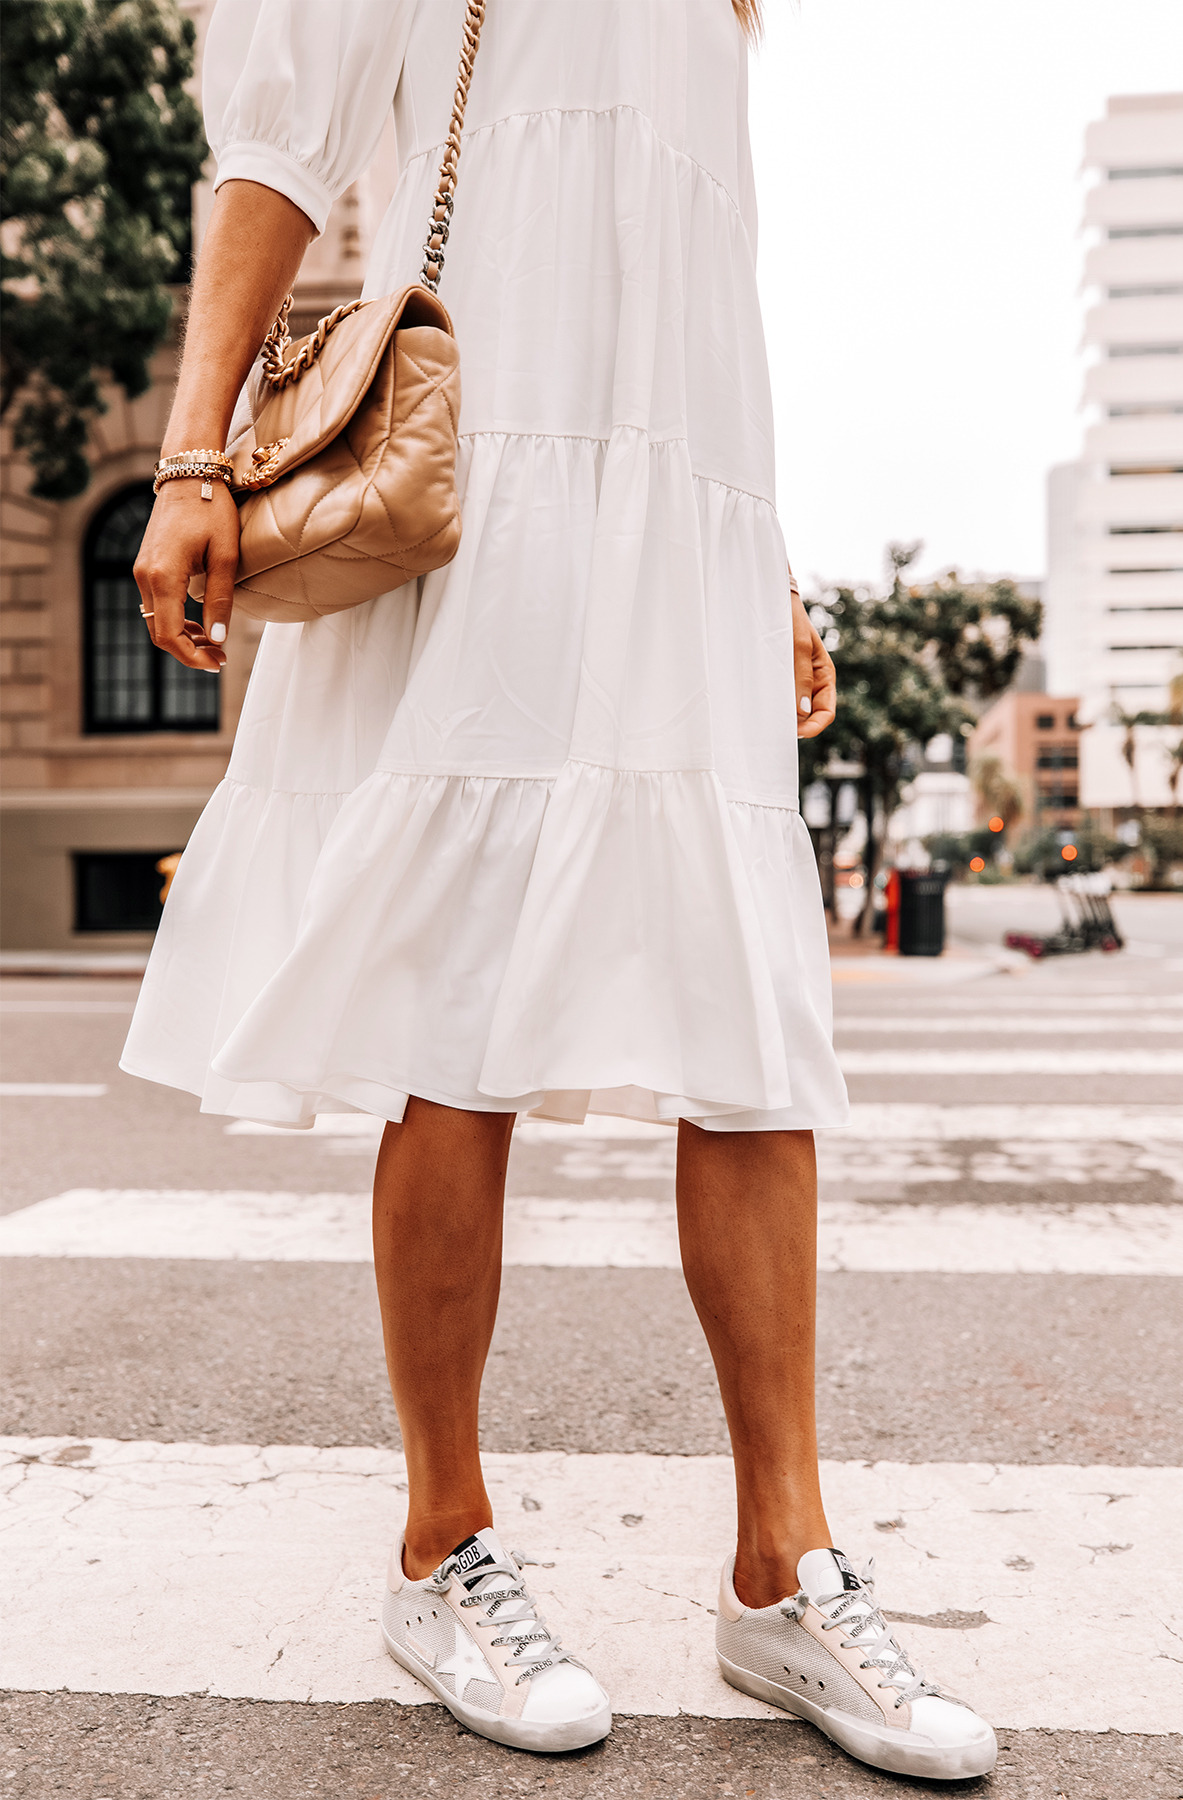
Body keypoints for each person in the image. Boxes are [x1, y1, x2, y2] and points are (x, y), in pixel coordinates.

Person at [123, 0, 996, 1778]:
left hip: (681, 517)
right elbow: (280, 138)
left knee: (753, 1022)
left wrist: (759, 554)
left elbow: (692, 271)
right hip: (489, 477)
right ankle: (443, 1547)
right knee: (464, 1008)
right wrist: (194, 449)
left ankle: (782, 1567)